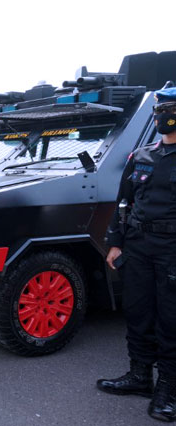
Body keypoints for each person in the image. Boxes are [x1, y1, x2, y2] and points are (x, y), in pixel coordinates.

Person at [99, 88, 176, 422]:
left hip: (173, 250)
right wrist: (115, 242)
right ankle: (140, 377)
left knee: (171, 320)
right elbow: (122, 203)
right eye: (158, 108)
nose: (160, 114)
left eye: (167, 109)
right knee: (137, 312)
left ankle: (168, 390)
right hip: (138, 246)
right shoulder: (141, 156)